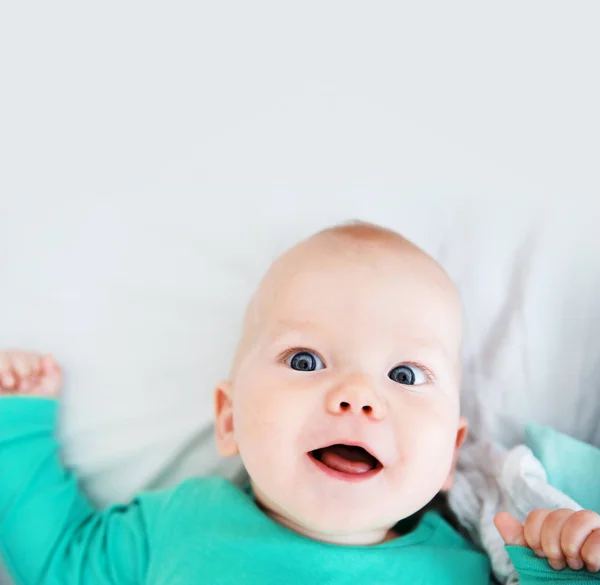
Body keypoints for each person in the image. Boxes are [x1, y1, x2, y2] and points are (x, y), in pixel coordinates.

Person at [1, 221, 599, 584]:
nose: (358, 397)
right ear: (229, 419)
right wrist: (19, 423)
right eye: (306, 361)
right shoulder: (180, 524)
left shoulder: (472, 567)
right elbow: (59, 558)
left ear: (449, 456)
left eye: (405, 374)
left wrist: (563, 570)